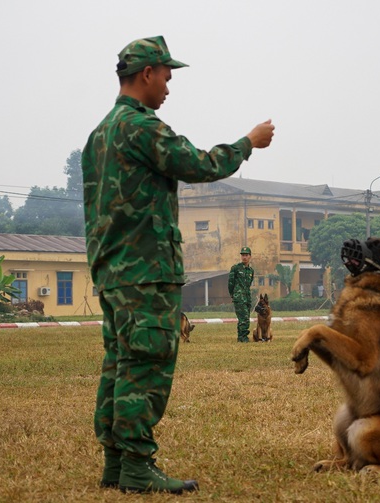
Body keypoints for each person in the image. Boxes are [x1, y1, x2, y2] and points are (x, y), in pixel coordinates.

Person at [82, 36, 274, 494]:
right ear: (147, 73)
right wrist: (248, 143)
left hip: (112, 270)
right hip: (146, 270)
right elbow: (201, 164)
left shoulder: (98, 135)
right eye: (167, 75)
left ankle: (115, 462)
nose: (169, 86)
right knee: (146, 364)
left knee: (121, 362)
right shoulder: (142, 128)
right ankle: (135, 466)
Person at [228, 246, 254, 342]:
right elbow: (230, 283)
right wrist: (233, 294)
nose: (244, 257)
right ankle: (243, 337)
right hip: (239, 297)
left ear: (250, 256)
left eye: (246, 255)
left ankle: (240, 337)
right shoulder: (235, 268)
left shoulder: (250, 271)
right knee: (244, 318)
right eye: (243, 255)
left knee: (245, 317)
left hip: (247, 297)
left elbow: (249, 283)